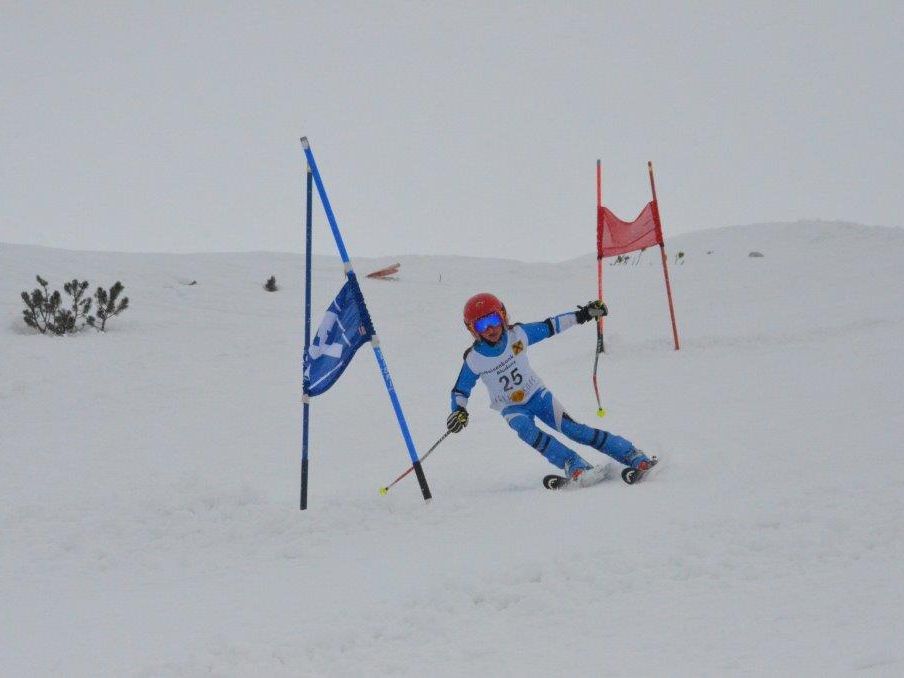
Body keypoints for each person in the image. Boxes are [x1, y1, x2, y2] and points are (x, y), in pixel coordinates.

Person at [446, 292, 651, 481]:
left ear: (502, 316)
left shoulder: (518, 335)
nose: (490, 329)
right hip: (511, 407)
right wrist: (459, 411)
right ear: (473, 330)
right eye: (482, 326)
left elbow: (551, 326)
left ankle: (631, 454)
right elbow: (460, 390)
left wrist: (583, 314)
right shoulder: (474, 359)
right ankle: (573, 463)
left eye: (493, 320)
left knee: (573, 430)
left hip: (537, 395)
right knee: (525, 430)